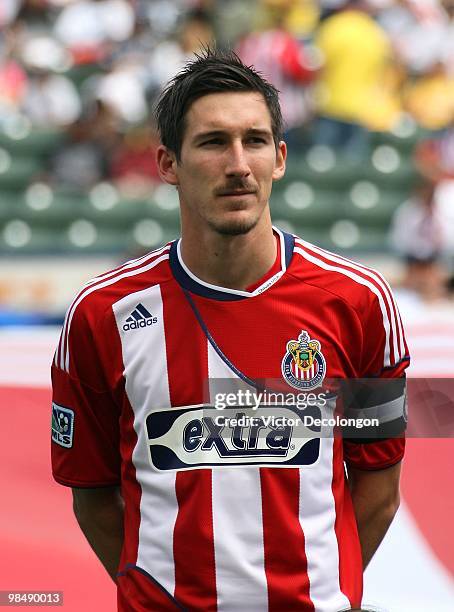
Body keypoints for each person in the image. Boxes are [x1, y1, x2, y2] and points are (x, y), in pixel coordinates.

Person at [51, 49, 410, 612]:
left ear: (281, 158)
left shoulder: (358, 302)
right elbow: (93, 497)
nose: (238, 163)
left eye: (256, 140)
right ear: (168, 164)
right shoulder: (103, 314)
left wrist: (316, 595)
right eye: (214, 142)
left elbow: (379, 489)